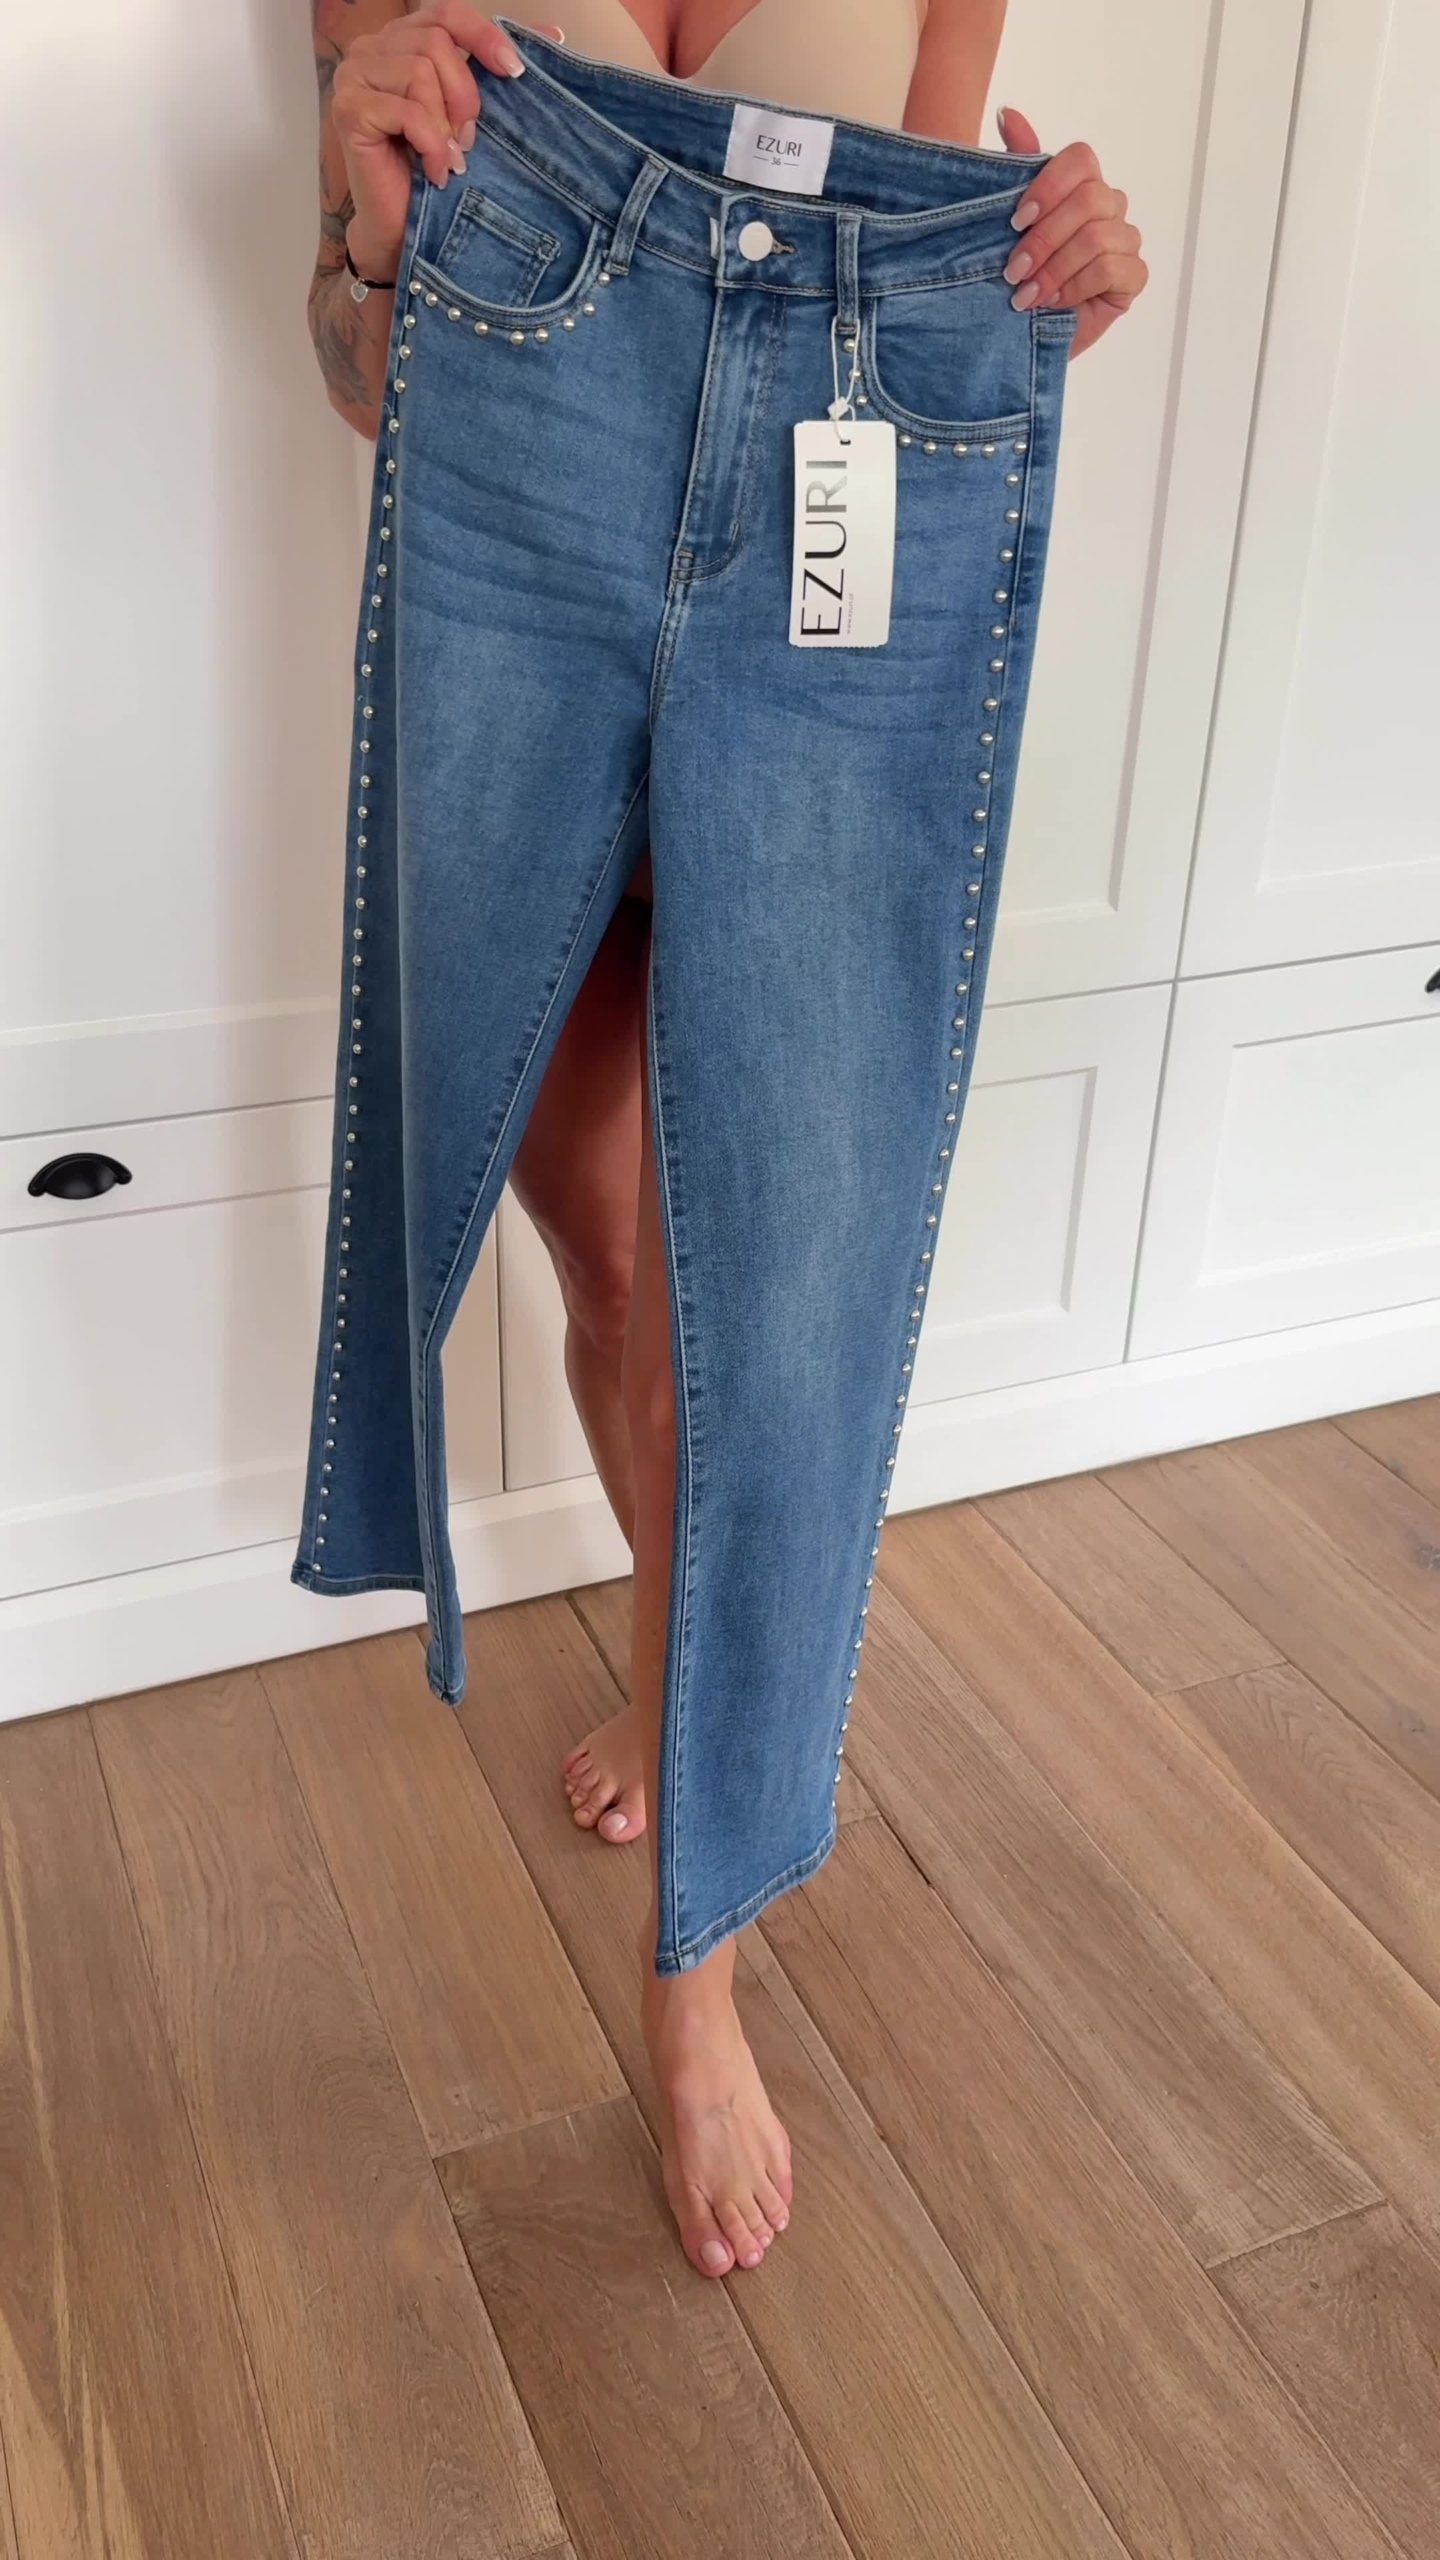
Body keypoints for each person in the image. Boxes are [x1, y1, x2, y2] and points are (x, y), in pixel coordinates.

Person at [306, 0, 1147, 2282]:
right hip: (535, 508)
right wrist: (368, 236)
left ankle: (701, 1979)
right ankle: (681, 1688)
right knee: (601, 1251)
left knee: (761, 1311)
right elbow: (368, 371)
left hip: (834, 569)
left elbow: (946, 239)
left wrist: (1044, 275)